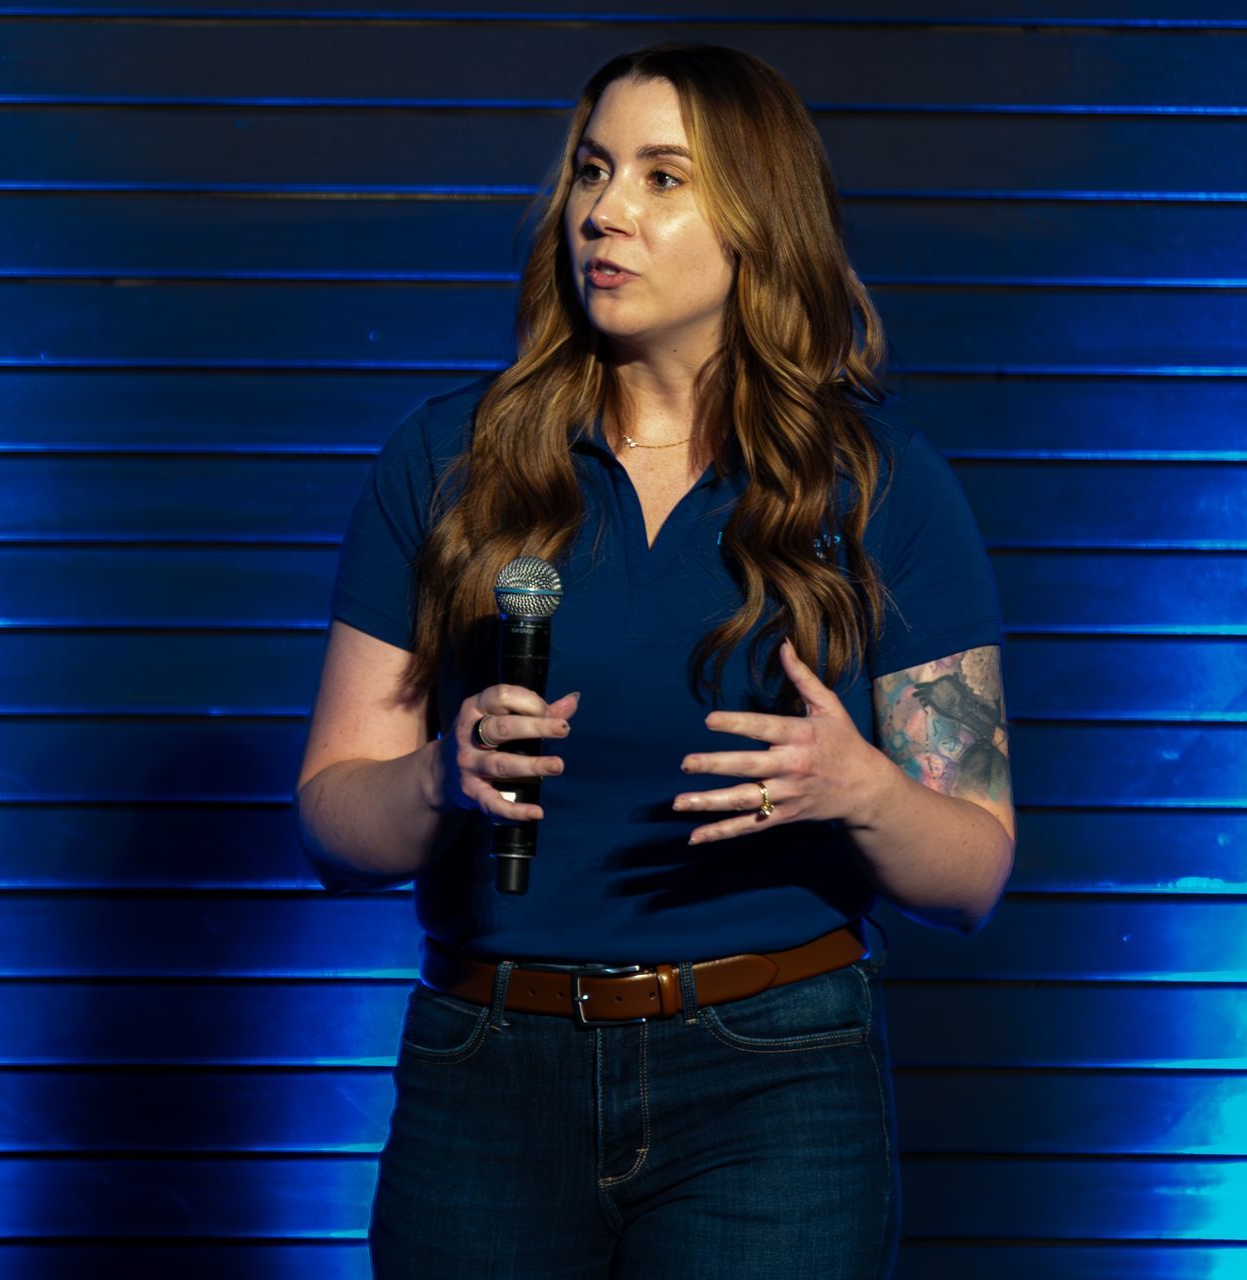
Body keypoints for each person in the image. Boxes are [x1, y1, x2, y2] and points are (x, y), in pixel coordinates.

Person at [296, 41, 1015, 1279]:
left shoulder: (882, 484)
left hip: (773, 1077)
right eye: (592, 170)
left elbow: (973, 872)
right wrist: (436, 777)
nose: (604, 211)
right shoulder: (448, 460)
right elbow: (331, 821)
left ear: (757, 219)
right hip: (488, 1069)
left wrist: (862, 788)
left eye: (662, 177)